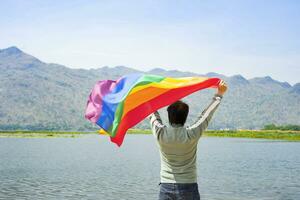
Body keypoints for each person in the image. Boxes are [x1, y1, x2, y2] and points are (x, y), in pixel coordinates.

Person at [149, 80, 228, 200]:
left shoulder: (160, 133)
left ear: (169, 116)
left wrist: (145, 96)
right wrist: (219, 94)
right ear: (185, 117)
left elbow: (151, 112)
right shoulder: (192, 134)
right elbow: (206, 115)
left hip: (166, 187)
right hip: (189, 187)